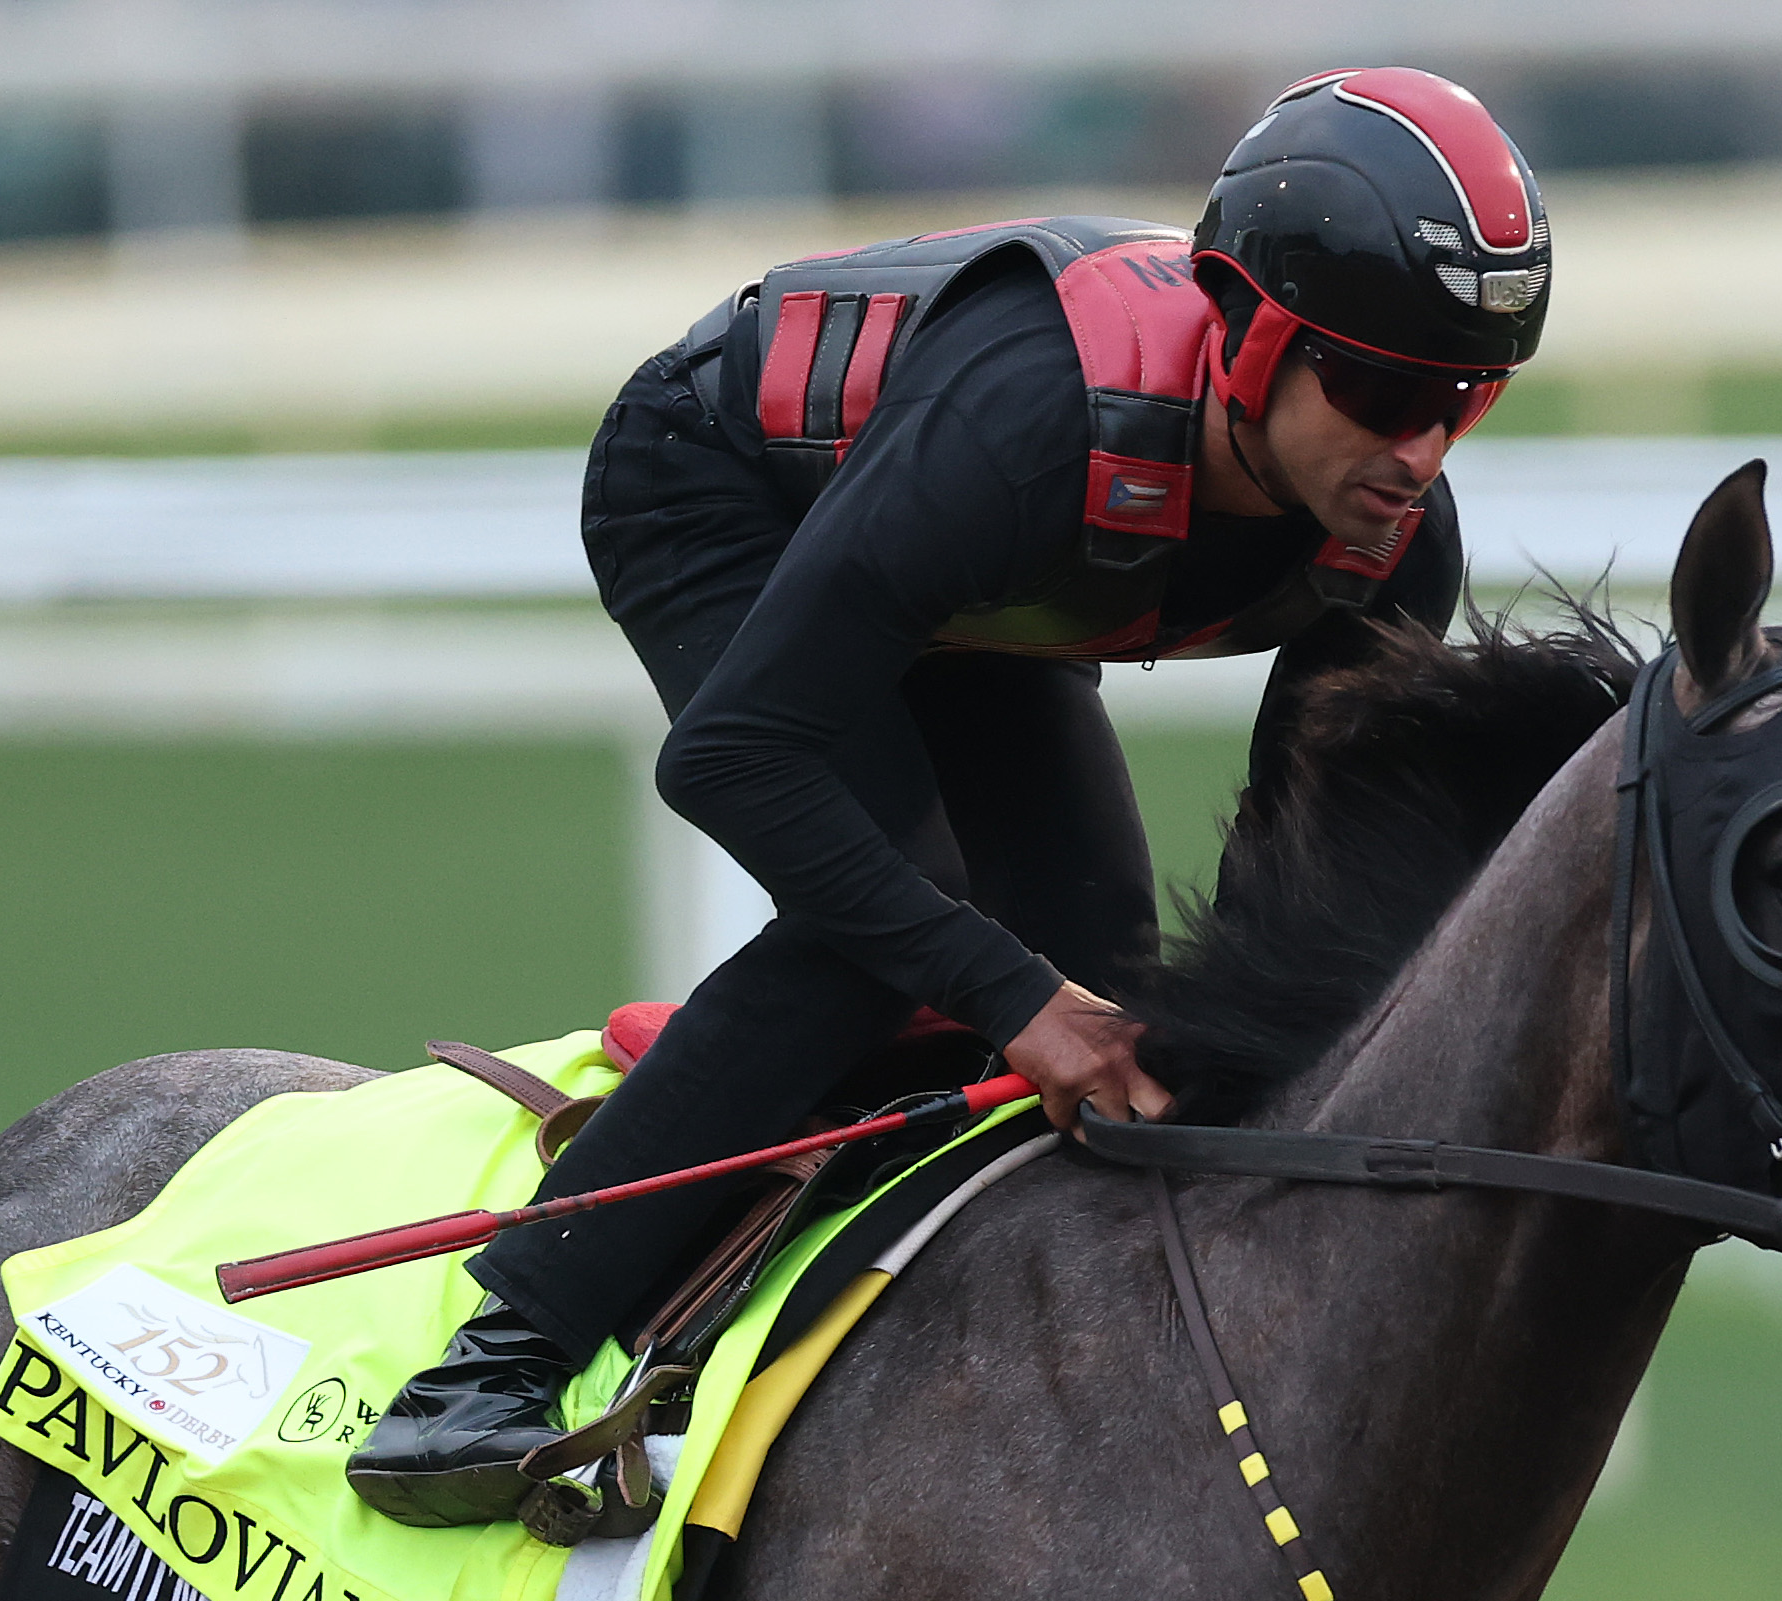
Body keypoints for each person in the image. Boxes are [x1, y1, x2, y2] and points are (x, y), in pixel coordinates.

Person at [347, 66, 1554, 1527]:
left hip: (979, 579)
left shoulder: (1394, 538)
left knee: (1113, 982)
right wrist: (1005, 996)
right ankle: (494, 1362)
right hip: (725, 487)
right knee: (903, 921)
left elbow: (1283, 904)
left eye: (1465, 400)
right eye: (1378, 389)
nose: (1417, 451)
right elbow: (732, 758)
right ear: (1246, 335)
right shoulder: (1032, 424)